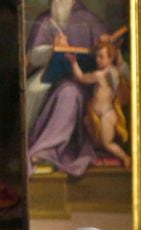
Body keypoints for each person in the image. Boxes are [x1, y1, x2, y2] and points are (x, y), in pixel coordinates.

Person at [25, 0, 109, 176]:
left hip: (83, 86)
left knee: (69, 93)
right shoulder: (45, 20)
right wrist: (53, 49)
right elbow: (32, 56)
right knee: (40, 91)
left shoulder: (89, 19)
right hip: (49, 84)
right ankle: (42, 149)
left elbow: (107, 55)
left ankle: (46, 150)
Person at [66, 40, 129, 168]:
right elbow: (82, 78)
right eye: (97, 57)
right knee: (90, 134)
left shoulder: (112, 73)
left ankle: (125, 157)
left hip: (107, 114)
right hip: (95, 114)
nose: (97, 60)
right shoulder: (98, 74)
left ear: (111, 58)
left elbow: (120, 87)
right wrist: (73, 62)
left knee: (107, 143)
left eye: (101, 57)